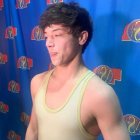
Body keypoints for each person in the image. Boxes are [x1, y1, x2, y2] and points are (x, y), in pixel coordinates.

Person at [25, 2, 130, 140]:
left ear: (81, 37)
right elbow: (33, 130)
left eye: (57, 35)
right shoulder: (37, 82)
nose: (48, 43)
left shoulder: (100, 95)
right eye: (46, 36)